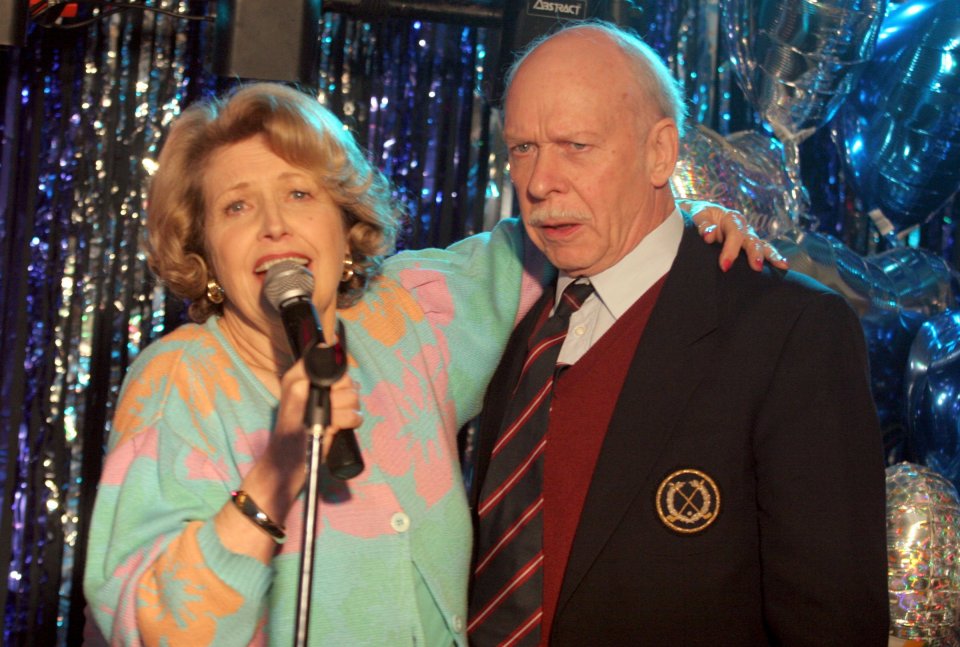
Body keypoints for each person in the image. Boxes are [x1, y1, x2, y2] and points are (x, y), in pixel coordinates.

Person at [82, 80, 780, 645]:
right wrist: (278, 468)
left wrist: (683, 218)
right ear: (201, 244)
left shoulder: (406, 315)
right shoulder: (176, 382)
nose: (274, 225)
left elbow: (577, 224)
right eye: (237, 206)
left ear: (342, 217)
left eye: (299, 194)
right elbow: (151, 629)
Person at [468, 21, 889, 647]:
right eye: (523, 147)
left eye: (576, 145)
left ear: (660, 153)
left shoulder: (790, 332)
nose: (537, 182)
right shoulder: (496, 307)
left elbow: (834, 626)